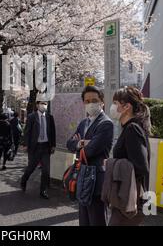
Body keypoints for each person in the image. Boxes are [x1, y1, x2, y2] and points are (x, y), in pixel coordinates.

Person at [66, 86, 114, 226]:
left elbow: (90, 151)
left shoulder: (106, 124)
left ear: (102, 102)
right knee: (84, 219)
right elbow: (69, 143)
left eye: (94, 100)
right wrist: (82, 143)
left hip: (97, 179)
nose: (90, 104)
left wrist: (79, 145)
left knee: (97, 219)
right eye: (87, 101)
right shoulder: (83, 123)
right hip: (82, 177)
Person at [108, 86, 151, 226]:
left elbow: (141, 167)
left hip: (129, 198)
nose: (112, 107)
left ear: (126, 106)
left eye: (115, 103)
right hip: (126, 196)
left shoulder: (132, 129)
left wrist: (112, 164)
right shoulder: (129, 127)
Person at [20, 100, 56, 200]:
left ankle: (43, 190)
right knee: (31, 168)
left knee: (46, 171)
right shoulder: (32, 117)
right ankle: (24, 180)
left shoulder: (49, 117)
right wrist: (25, 144)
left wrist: (53, 145)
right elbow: (27, 131)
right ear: (37, 105)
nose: (43, 105)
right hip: (35, 147)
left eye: (45, 104)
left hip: (45, 147)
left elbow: (52, 132)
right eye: (42, 103)